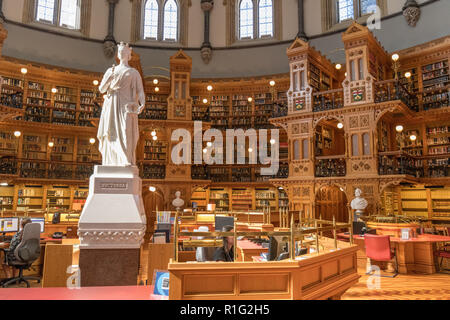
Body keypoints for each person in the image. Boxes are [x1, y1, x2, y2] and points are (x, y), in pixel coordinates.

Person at [97, 42, 146, 166]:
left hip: (126, 105)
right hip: (112, 103)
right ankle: (111, 160)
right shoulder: (111, 70)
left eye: (124, 51)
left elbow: (140, 90)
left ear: (129, 55)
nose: (122, 53)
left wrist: (142, 103)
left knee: (126, 130)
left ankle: (126, 158)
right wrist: (109, 79)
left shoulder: (133, 72)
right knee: (110, 130)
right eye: (120, 52)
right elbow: (102, 89)